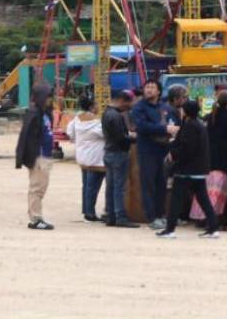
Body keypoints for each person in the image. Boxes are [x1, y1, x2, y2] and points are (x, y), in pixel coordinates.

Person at [157, 100, 220, 239]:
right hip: (199, 170)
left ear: (185, 111)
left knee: (176, 200)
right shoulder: (199, 125)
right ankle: (213, 228)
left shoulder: (190, 126)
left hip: (187, 170)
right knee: (203, 200)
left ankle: (170, 229)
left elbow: (186, 148)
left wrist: (173, 154)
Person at [131, 80, 174, 229]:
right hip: (147, 150)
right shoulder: (139, 108)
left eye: (152, 87)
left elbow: (173, 123)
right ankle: (151, 218)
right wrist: (165, 129)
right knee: (148, 184)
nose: (148, 90)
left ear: (159, 91)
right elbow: (142, 126)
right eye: (146, 87)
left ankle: (161, 214)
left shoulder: (165, 107)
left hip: (163, 150)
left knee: (162, 184)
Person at [15, 84, 57, 230]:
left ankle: (36, 216)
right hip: (38, 157)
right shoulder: (34, 114)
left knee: (41, 187)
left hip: (46, 155)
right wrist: (27, 158)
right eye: (48, 97)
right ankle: (36, 218)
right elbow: (25, 137)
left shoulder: (45, 113)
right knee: (37, 188)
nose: (50, 100)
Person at [200, 89, 227, 224]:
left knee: (210, 190)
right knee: (221, 192)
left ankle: (205, 217)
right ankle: (216, 219)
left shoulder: (210, 116)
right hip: (225, 159)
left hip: (210, 158)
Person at [101, 89, 139, 228]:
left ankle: (111, 216)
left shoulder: (107, 113)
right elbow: (121, 138)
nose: (129, 107)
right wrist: (135, 139)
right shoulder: (116, 116)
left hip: (109, 153)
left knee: (110, 186)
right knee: (119, 187)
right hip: (118, 153)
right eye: (129, 103)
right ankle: (120, 217)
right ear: (122, 101)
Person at [66, 94, 107, 222]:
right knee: (93, 186)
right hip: (96, 158)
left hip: (82, 156)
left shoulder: (76, 119)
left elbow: (70, 133)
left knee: (86, 185)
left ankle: (86, 210)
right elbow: (107, 134)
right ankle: (90, 213)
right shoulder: (97, 123)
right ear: (92, 107)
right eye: (96, 105)